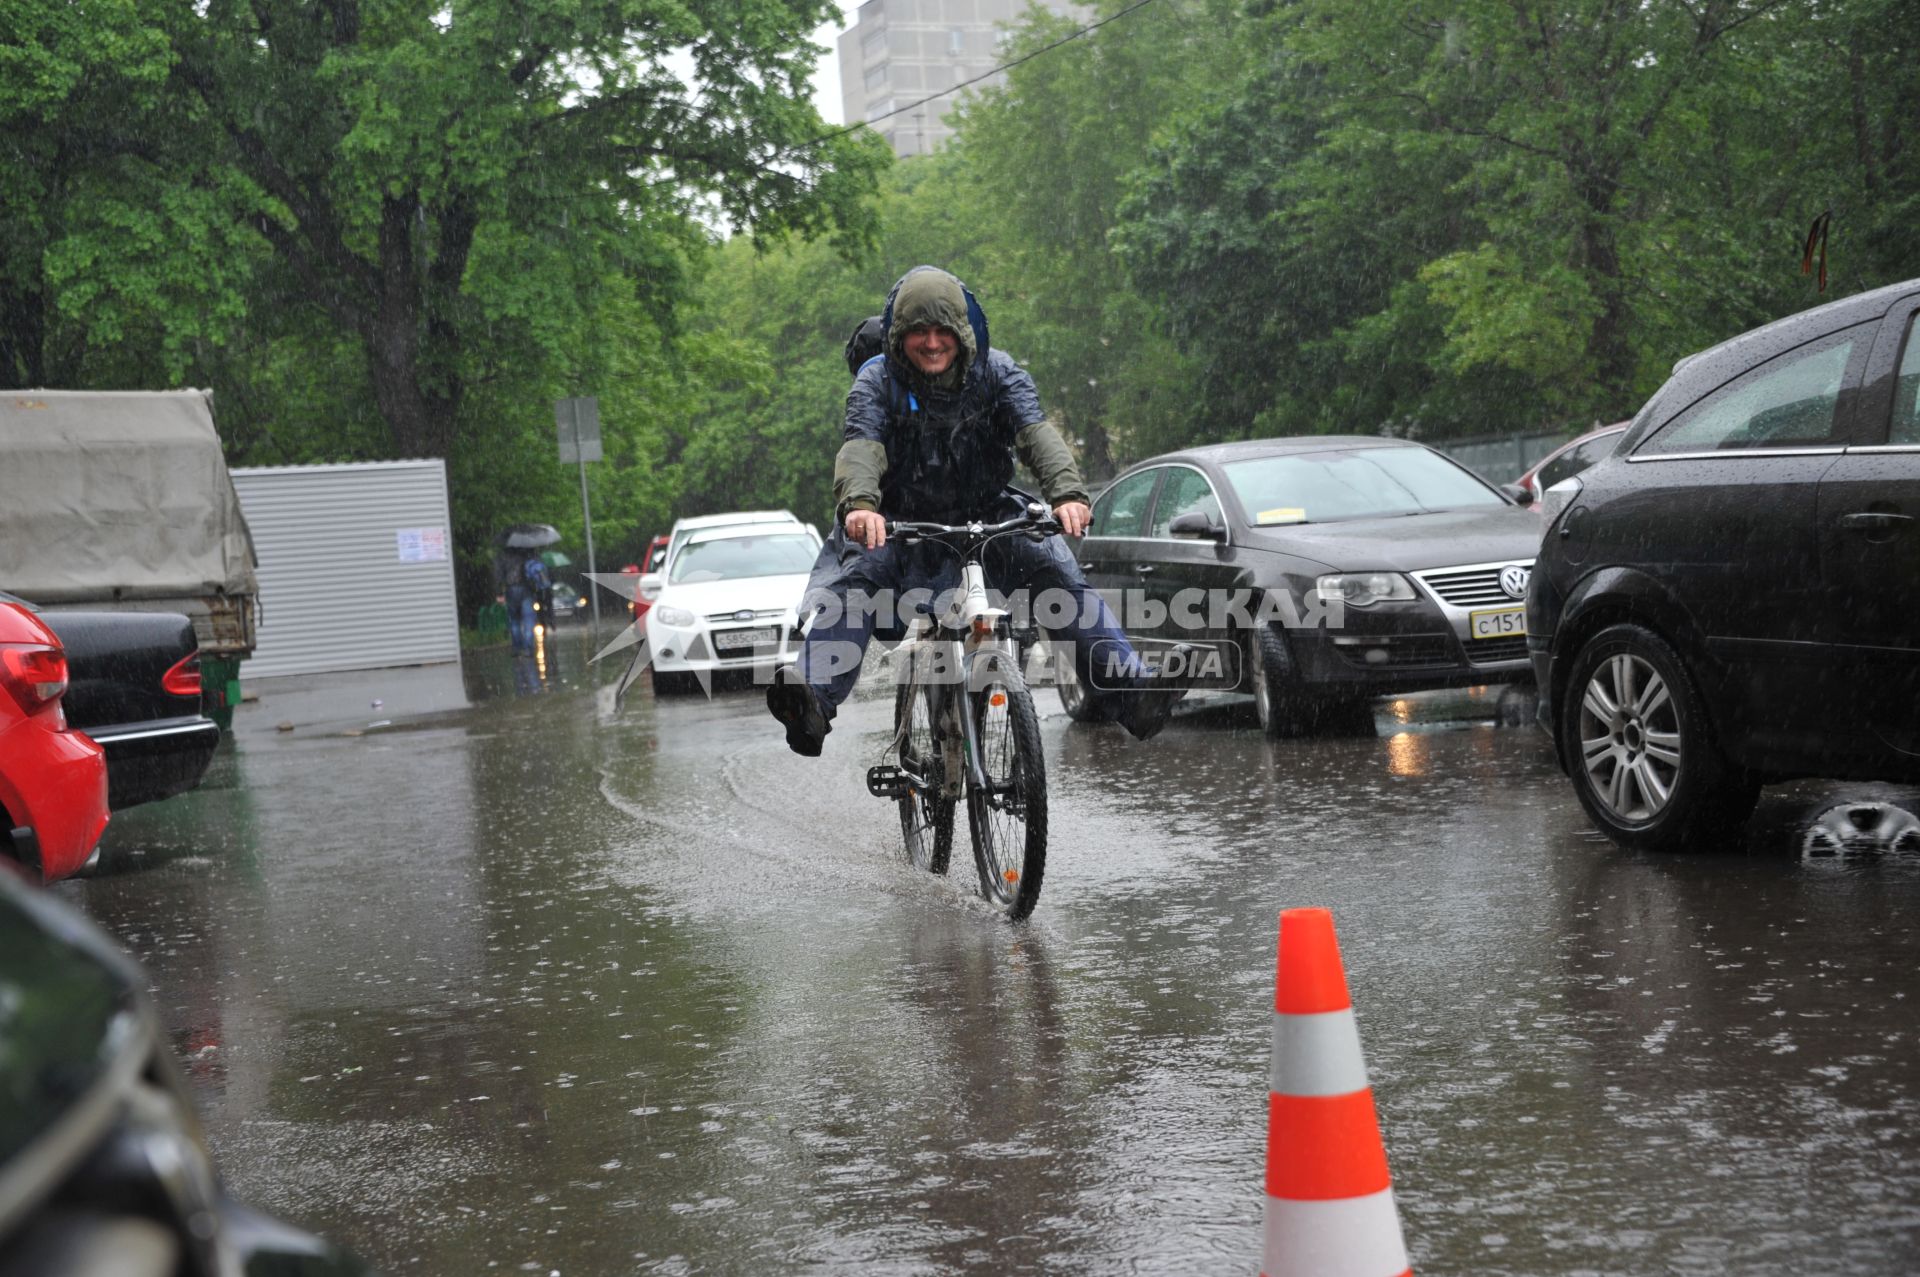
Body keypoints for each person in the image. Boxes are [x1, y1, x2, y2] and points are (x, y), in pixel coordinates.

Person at [766, 265, 1184, 757]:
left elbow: (1036, 433)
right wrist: (861, 506)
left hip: (987, 517)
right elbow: (862, 446)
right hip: (897, 524)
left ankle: (1130, 692)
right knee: (854, 586)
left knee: (1056, 569)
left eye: (943, 330)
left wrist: (1068, 494)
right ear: (899, 336)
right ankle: (811, 700)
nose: (932, 342)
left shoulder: (999, 371)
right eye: (918, 331)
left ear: (963, 333)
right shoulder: (875, 381)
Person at [496, 549, 538, 657]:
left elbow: (499, 576)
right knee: (528, 621)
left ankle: (517, 648)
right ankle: (528, 648)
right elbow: (534, 574)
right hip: (526, 591)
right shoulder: (528, 555)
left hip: (511, 591)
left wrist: (499, 593)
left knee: (514, 621)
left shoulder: (504, 557)